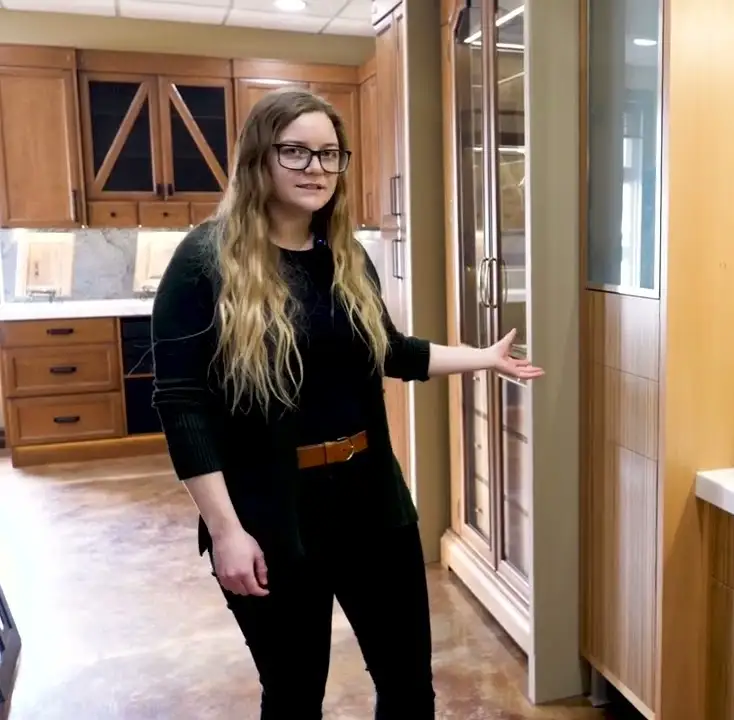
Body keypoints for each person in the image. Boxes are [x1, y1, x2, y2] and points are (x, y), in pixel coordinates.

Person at [150, 88, 544, 719]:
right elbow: (181, 404)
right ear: (260, 158)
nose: (316, 169)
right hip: (271, 516)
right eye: (296, 152)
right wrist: (226, 531)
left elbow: (387, 350)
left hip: (371, 504)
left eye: (330, 155)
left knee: (410, 688)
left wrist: (483, 359)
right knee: (295, 694)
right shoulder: (204, 260)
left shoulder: (348, 255)